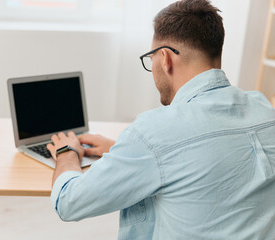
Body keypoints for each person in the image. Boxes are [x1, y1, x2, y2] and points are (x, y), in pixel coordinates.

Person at [46, 0, 275, 239]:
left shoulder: (154, 132)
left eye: (151, 57)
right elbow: (208, 154)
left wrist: (67, 153)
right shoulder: (263, 109)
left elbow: (68, 202)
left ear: (164, 58)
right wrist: (122, 150)